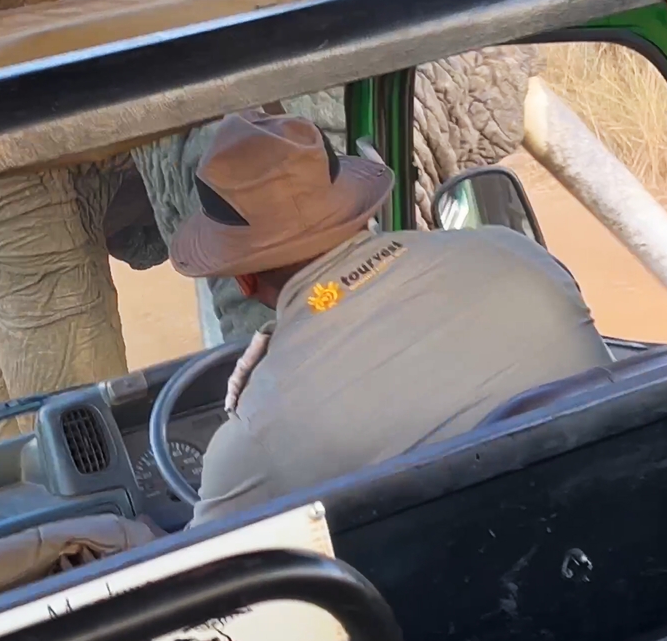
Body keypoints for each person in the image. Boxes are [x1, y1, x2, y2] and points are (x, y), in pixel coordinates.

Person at [168, 110, 612, 526]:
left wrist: (134, 537)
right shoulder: (516, 253)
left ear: (241, 277)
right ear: (356, 210)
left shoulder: (255, 436)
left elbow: (203, 588)